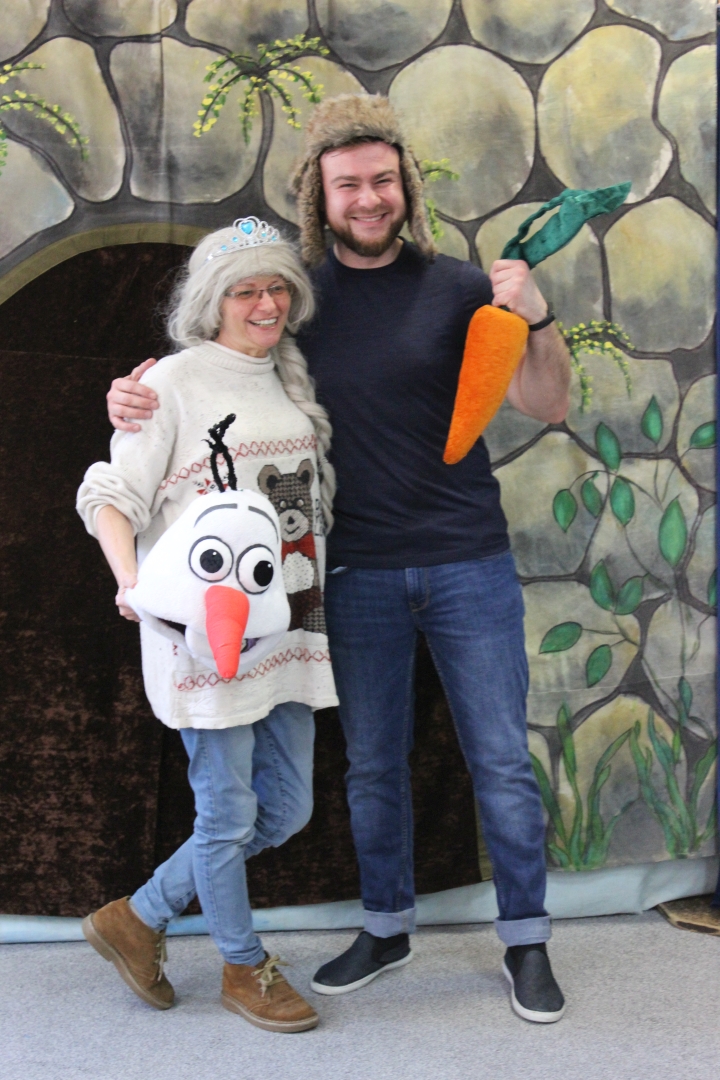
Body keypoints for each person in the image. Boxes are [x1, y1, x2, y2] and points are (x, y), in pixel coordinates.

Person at [105, 95, 572, 1024]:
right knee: (372, 769)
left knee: (500, 763)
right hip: (349, 574)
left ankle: (527, 940)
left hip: (467, 561)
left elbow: (547, 402)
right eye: (348, 183)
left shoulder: (461, 289)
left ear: (406, 187)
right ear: (321, 196)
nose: (368, 197)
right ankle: (386, 928)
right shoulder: (296, 302)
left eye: (382, 180)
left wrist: (541, 315)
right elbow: (219, 368)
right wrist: (134, 395)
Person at [77, 219, 338, 1033]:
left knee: (285, 811)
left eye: (277, 286)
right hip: (207, 640)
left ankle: (138, 916)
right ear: (211, 302)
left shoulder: (287, 378)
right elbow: (107, 492)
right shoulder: (172, 383)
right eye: (245, 290)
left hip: (289, 630)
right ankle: (241, 965)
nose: (266, 303)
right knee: (225, 815)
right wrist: (130, 582)